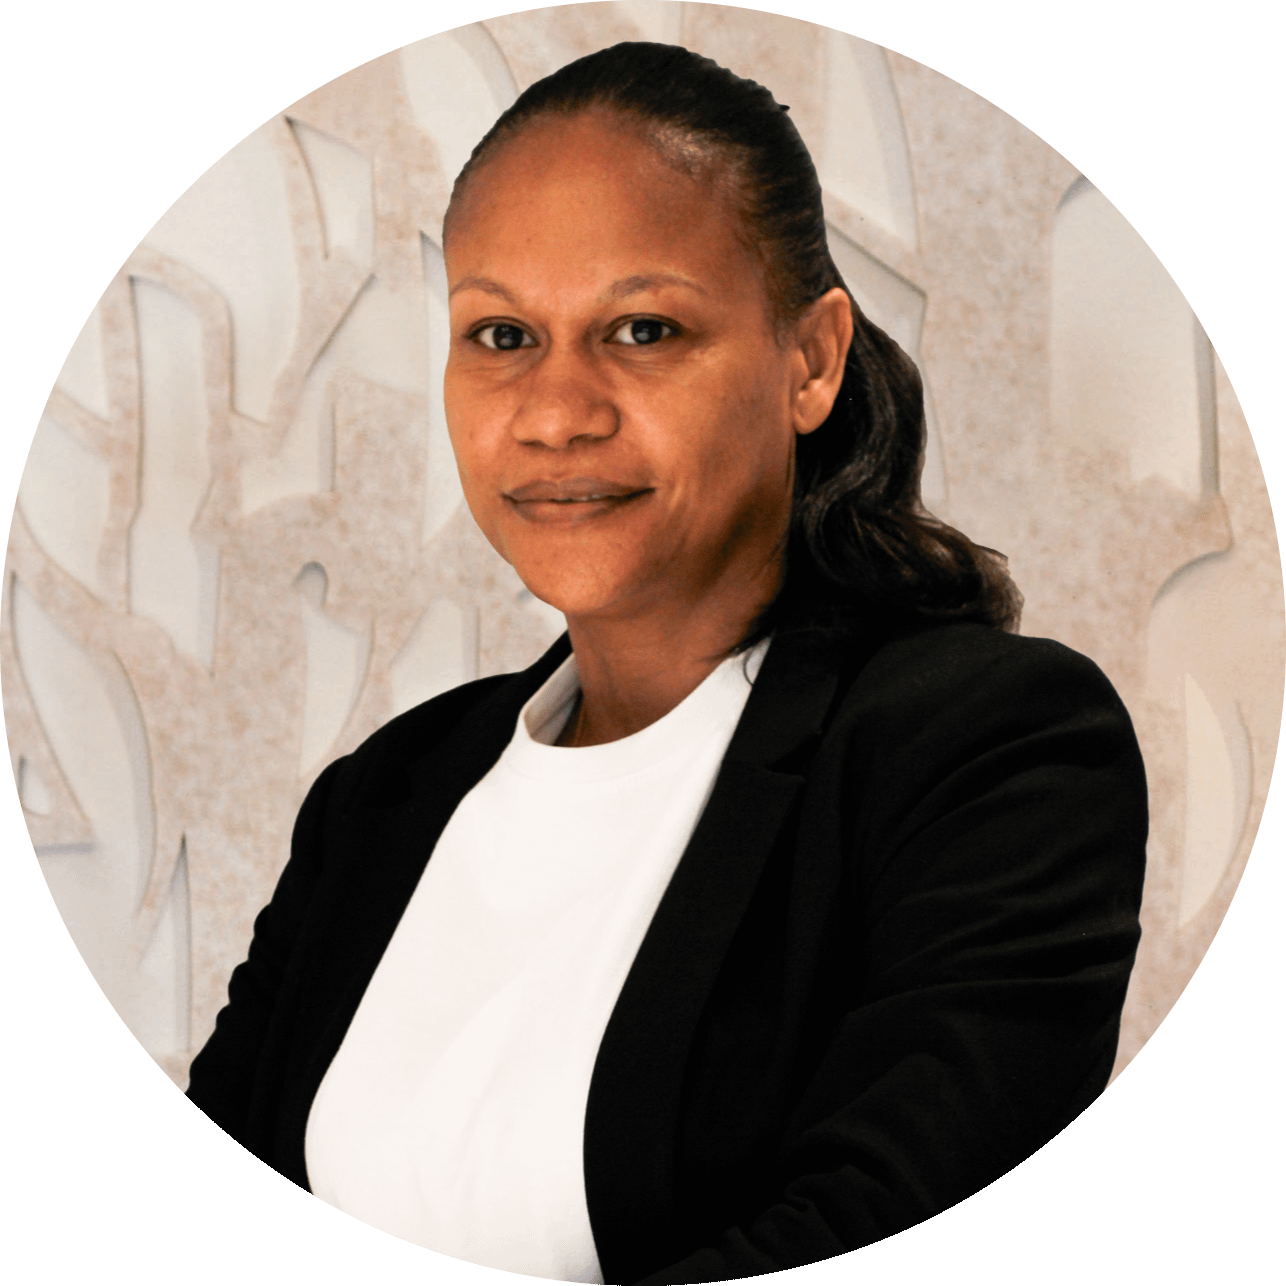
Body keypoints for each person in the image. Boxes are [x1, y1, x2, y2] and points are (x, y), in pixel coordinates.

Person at [186, 42, 1148, 1284]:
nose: (554, 411)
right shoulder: (383, 794)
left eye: (643, 329)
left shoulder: (989, 750)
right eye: (500, 333)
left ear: (809, 361)